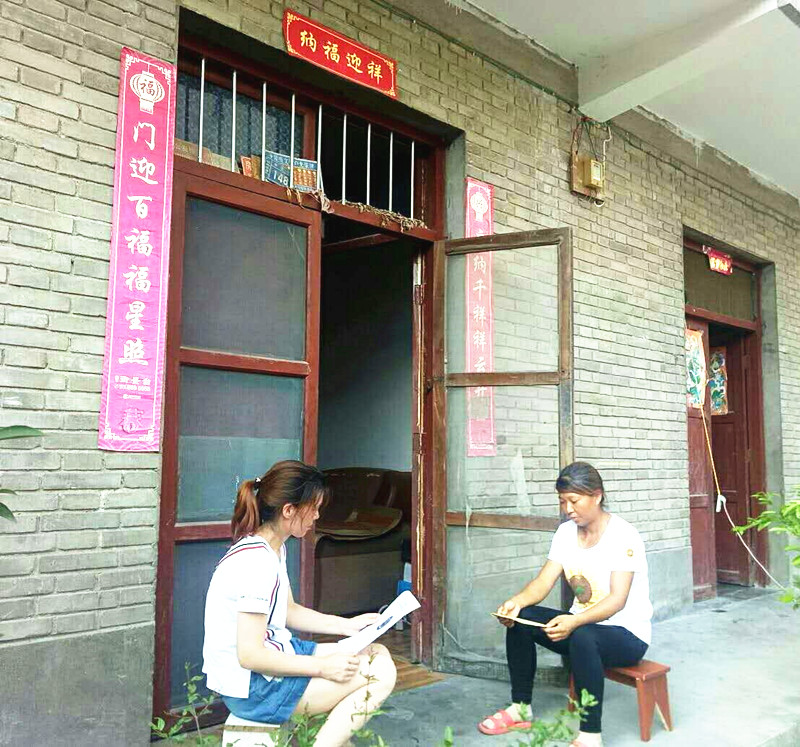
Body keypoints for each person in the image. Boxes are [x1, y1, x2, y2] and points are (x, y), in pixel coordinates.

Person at [203, 460, 397, 747]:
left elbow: (289, 611)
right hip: (255, 689)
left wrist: (347, 626)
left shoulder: (271, 548)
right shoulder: (255, 563)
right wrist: (322, 667)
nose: (317, 516)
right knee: (380, 673)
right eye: (314, 507)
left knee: (375, 651)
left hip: (272, 659)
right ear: (289, 510)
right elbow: (250, 656)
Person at [478, 462, 652, 747]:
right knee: (522, 617)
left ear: (597, 496)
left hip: (626, 635)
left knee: (583, 635)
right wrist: (515, 602)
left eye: (574, 500)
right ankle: (520, 707)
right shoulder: (565, 533)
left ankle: (590, 735)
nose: (567, 509)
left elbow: (617, 600)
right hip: (580, 629)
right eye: (562, 501)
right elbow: (543, 582)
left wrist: (575, 621)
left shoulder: (623, 536)